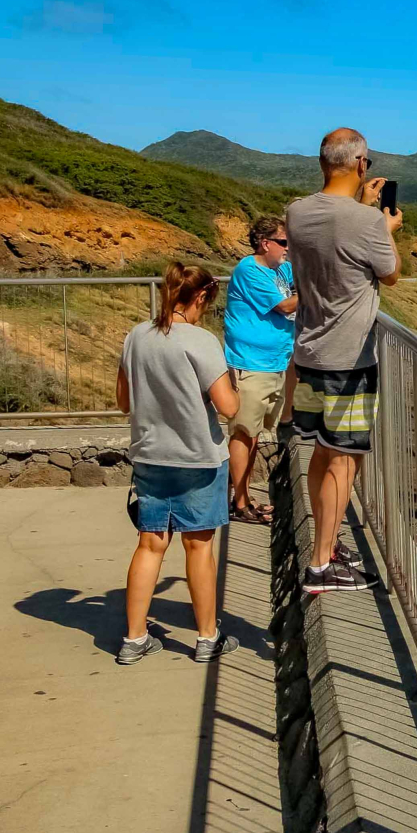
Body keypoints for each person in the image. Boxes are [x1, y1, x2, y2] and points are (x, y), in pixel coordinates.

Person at [287, 127, 403, 593]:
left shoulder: (296, 212)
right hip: (348, 361)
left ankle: (328, 546)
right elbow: (389, 275)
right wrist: (383, 224)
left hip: (310, 352)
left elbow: (334, 244)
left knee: (322, 453)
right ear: (360, 164)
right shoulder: (366, 222)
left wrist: (364, 208)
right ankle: (321, 566)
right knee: (344, 461)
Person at [114, 262, 241, 665]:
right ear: (200, 296)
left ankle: (134, 639)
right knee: (198, 547)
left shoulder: (136, 336)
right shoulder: (201, 341)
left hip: (150, 455)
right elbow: (229, 406)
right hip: (198, 458)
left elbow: (123, 402)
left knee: (150, 544)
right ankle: (207, 637)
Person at [223, 216, 298, 522]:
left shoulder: (278, 268)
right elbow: (285, 306)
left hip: (273, 363)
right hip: (251, 365)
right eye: (283, 243)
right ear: (265, 243)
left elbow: (307, 267)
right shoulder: (250, 270)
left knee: (253, 435)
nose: (287, 249)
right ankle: (239, 504)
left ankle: (243, 497)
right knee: (243, 433)